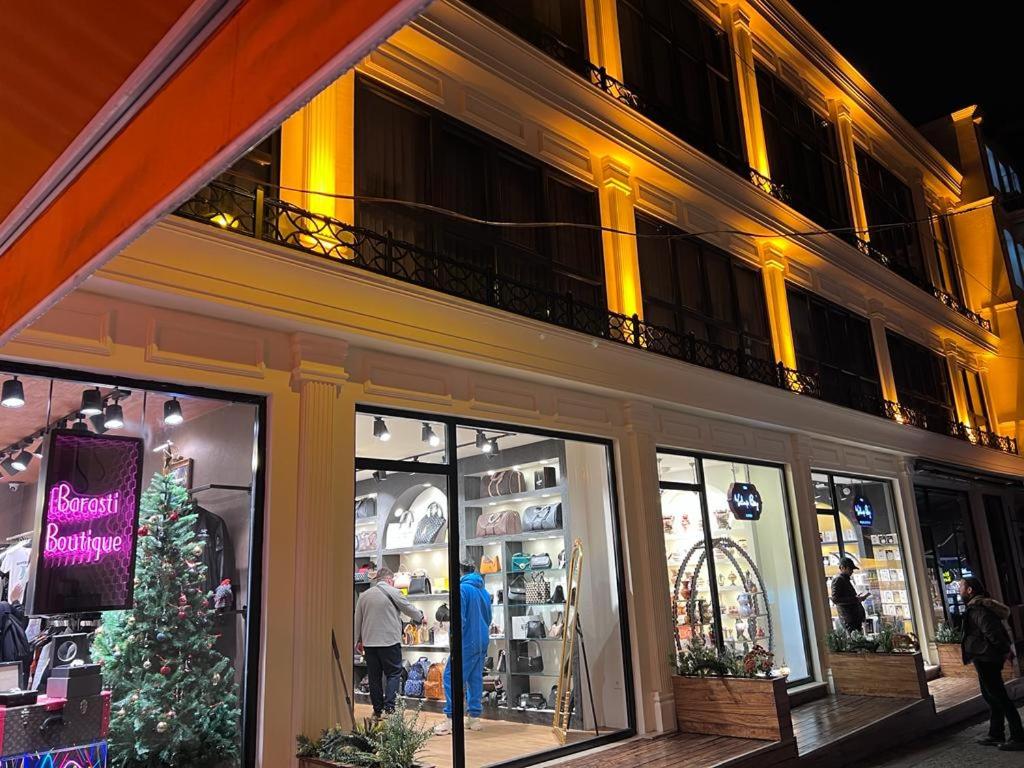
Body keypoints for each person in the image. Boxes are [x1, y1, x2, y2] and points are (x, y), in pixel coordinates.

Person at [959, 577, 1024, 750]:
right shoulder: (977, 607)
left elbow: (992, 632)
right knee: (991, 696)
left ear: (970, 590)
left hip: (987, 658)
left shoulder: (978, 609)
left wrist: (1004, 651)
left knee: (1000, 697)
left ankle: (1018, 736)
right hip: (983, 657)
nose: (959, 590)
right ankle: (996, 733)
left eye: (961, 586)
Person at [354, 566, 425, 719]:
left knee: (374, 677)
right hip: (389, 641)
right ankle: (390, 709)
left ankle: (377, 710)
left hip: (370, 643)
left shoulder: (364, 596)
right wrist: (420, 617)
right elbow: (408, 608)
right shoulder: (394, 592)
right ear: (389, 580)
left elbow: (357, 620)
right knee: (393, 674)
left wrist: (357, 640)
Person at [434, 560, 491, 735]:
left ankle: (452, 719)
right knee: (474, 678)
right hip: (482, 638)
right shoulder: (483, 590)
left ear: (459, 571)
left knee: (451, 676)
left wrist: (454, 640)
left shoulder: (461, 589)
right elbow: (489, 617)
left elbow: (459, 620)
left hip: (467, 640)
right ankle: (474, 718)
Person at [830, 556, 867, 633]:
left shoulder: (845, 580)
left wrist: (856, 598)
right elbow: (835, 599)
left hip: (853, 618)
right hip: (849, 619)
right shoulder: (838, 580)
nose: (852, 571)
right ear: (843, 568)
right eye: (850, 569)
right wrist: (855, 599)